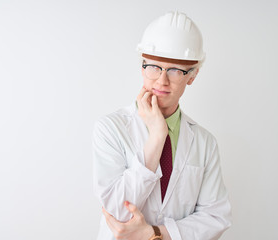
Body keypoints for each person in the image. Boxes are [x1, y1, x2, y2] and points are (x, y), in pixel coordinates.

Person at [93, 11, 232, 240]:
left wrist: (155, 234)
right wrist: (157, 137)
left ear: (192, 75)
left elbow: (216, 217)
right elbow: (117, 210)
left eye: (175, 70)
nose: (161, 80)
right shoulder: (110, 128)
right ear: (142, 66)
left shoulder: (205, 143)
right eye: (154, 66)